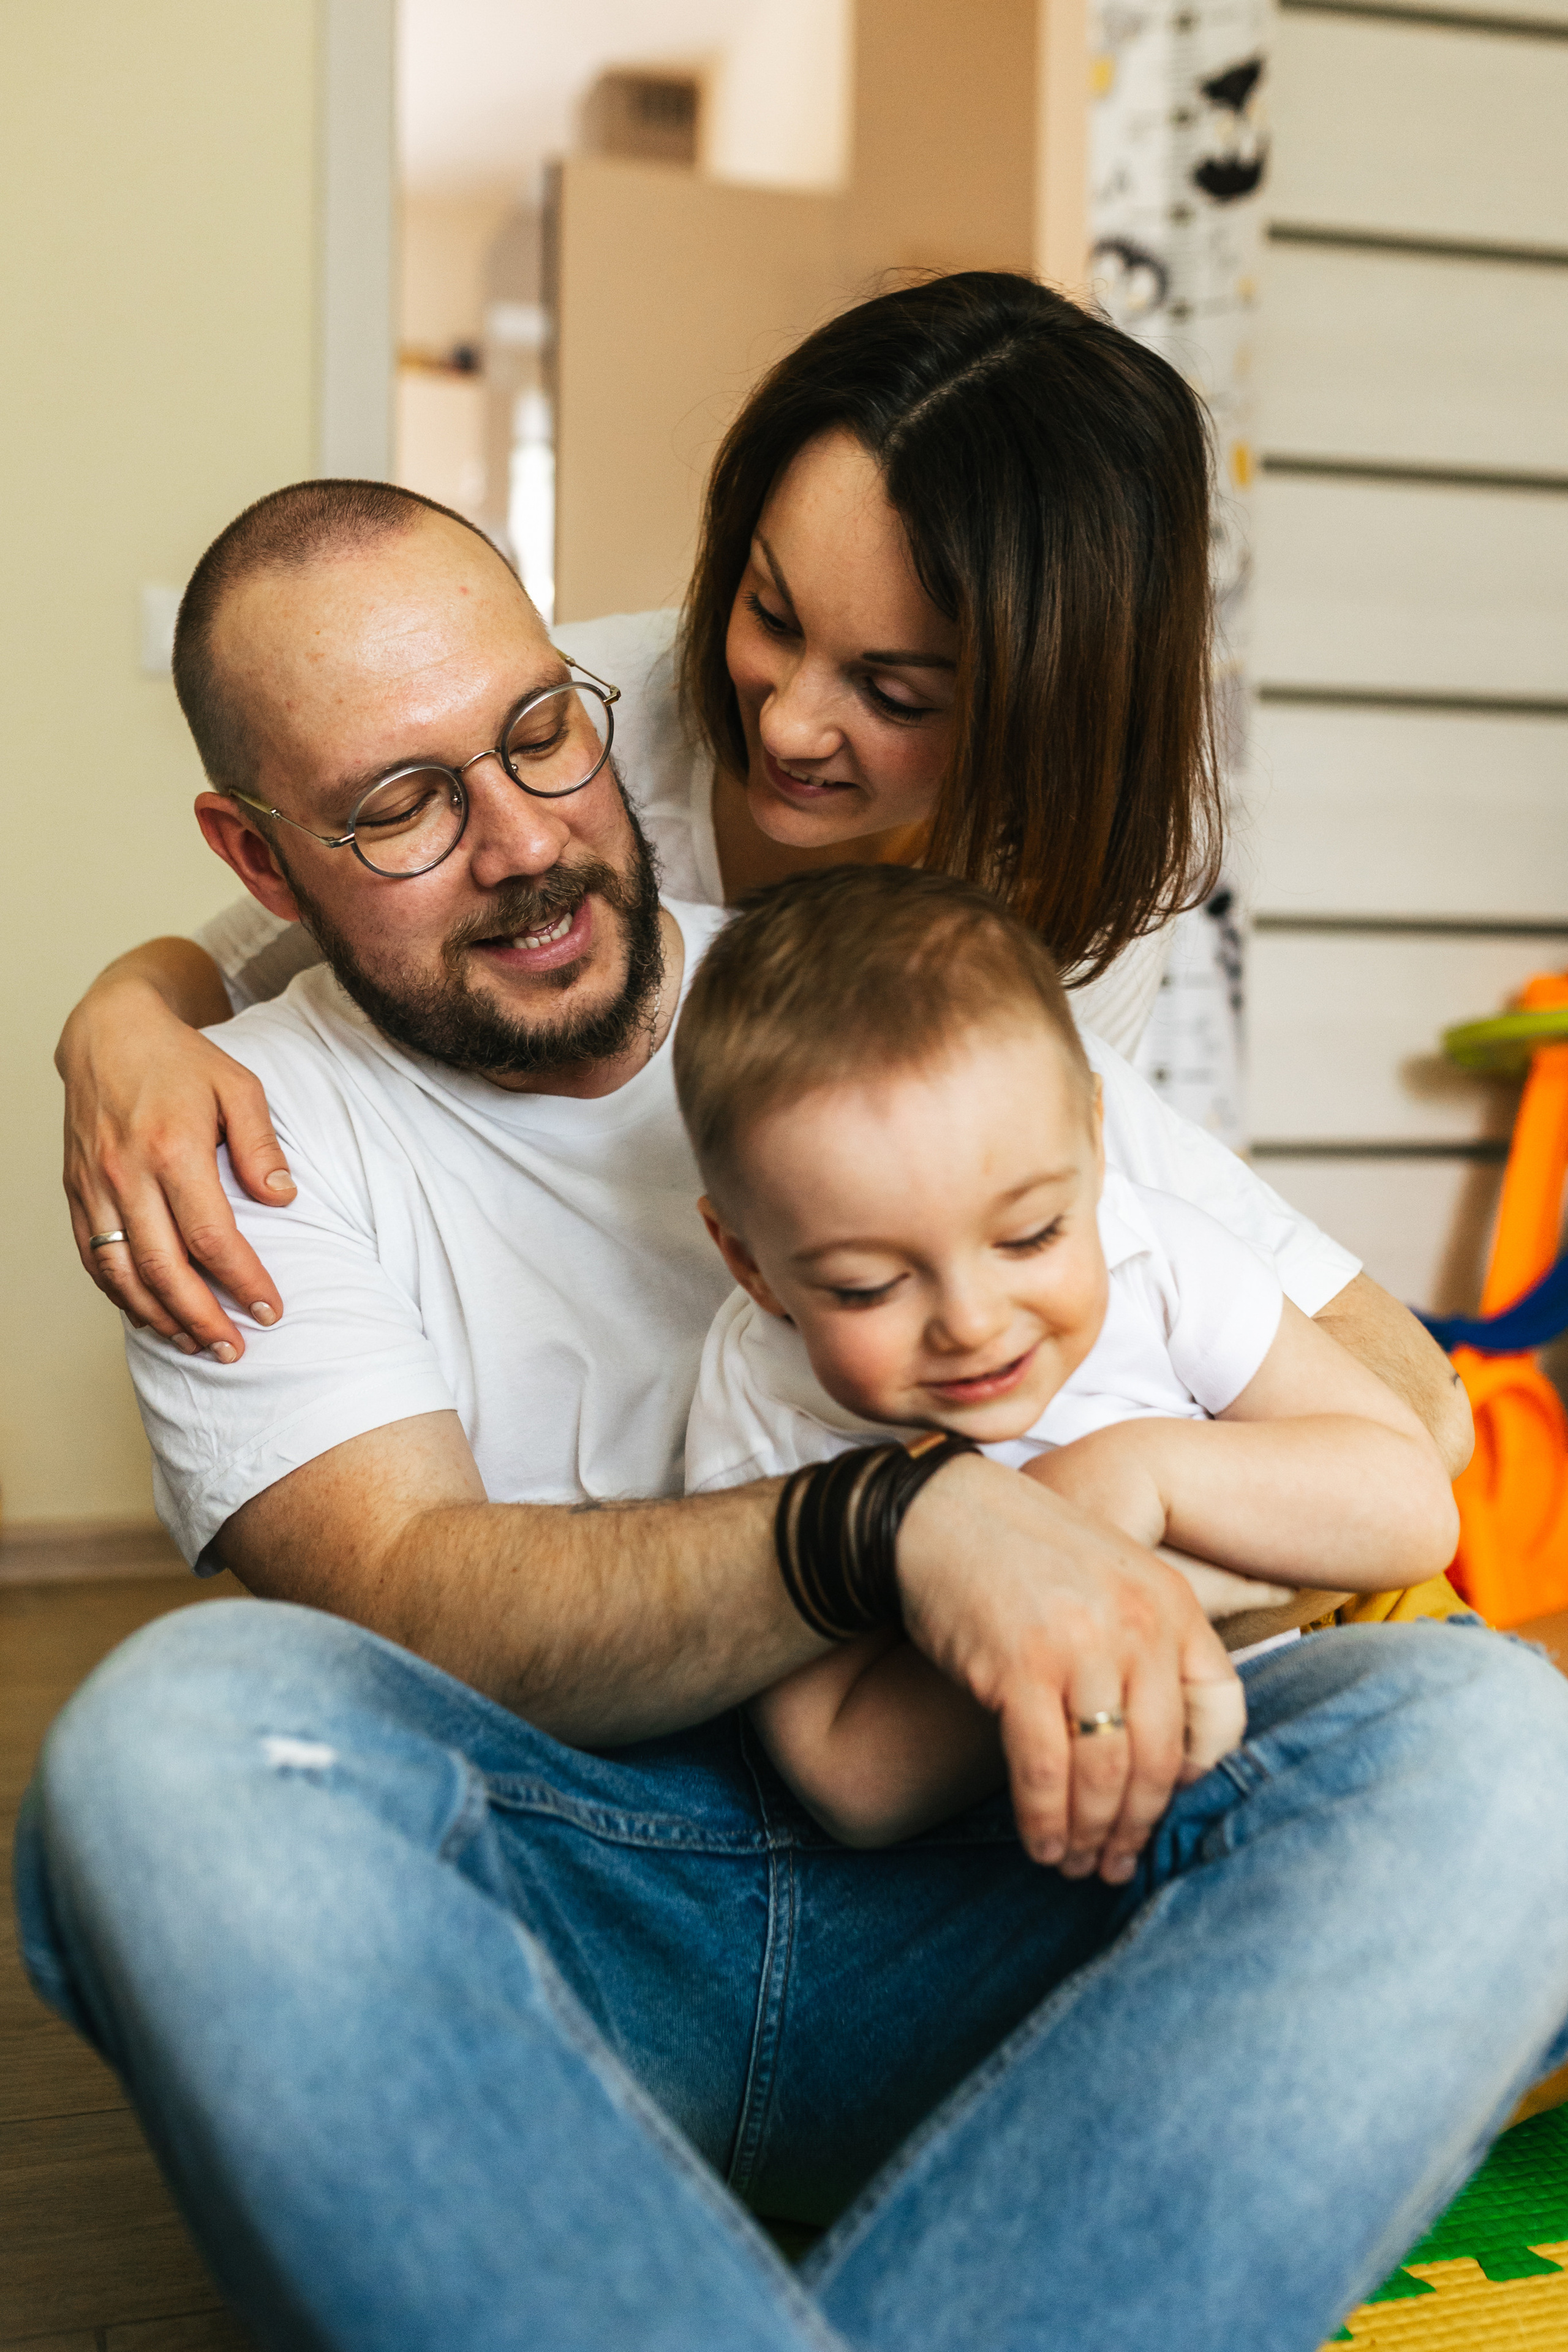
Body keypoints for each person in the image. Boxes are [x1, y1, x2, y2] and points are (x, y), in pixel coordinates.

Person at [18, 474, 1568, 2352]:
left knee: (1499, 1740)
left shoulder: (896, 1013)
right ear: (259, 863)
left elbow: (1398, 1411)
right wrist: (901, 1524)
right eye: (403, 804)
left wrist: (1124, 1529)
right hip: (584, 1916)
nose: (517, 840)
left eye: (537, 736)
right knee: (171, 1741)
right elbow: (407, 1598)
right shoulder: (223, 1130)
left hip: (1048, 1882)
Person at [53, 273, 1470, 1518]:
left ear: (1035, 715)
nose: (788, 722)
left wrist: (1128, 1515)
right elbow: (260, 938)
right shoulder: (582, 726)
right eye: (772, 614)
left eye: (893, 690)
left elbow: (1079, 1252)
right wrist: (118, 1024)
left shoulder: (1077, 894)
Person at [673, 865, 1460, 1847]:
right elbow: (851, 1776)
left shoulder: (1149, 1250)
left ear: (1094, 1144)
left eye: (1031, 1237)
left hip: (1306, 1718)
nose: (970, 1321)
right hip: (1031, 1847)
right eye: (869, 1287)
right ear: (749, 1263)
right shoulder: (757, 1398)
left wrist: (1137, 1477)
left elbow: (1415, 1505)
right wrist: (1101, 1596)